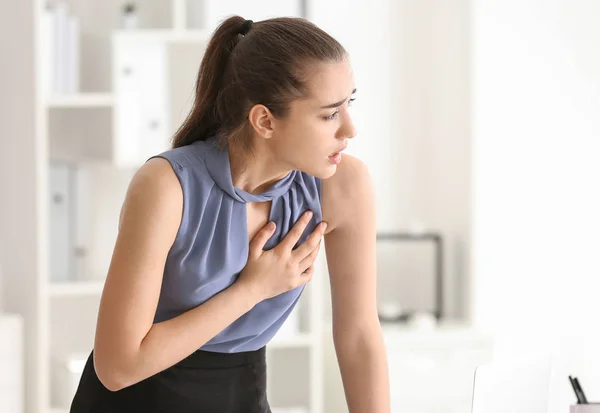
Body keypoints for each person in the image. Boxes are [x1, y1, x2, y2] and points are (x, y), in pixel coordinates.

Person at [70, 15, 390, 413]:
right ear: (264, 121)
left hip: (241, 396)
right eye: (329, 114)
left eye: (349, 104)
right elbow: (117, 368)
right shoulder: (167, 186)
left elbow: (359, 335)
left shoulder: (344, 185)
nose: (350, 129)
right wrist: (252, 290)